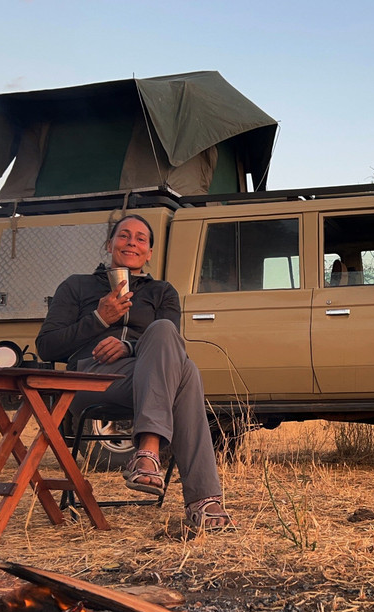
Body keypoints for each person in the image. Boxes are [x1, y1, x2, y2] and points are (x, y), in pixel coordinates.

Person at [35, 214, 234, 531]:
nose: (132, 242)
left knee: (168, 335)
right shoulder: (76, 286)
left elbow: (172, 348)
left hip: (145, 378)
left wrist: (130, 348)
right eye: (124, 235)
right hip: (91, 379)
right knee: (189, 375)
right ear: (109, 243)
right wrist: (99, 319)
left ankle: (147, 455)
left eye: (141, 238)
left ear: (150, 252)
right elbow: (47, 346)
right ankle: (203, 501)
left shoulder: (162, 292)